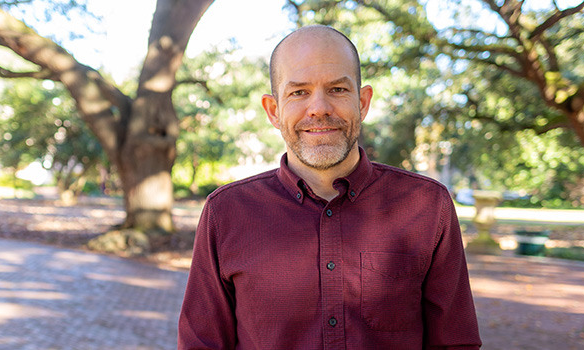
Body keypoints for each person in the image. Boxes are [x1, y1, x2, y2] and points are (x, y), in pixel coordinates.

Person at [178, 25, 481, 349]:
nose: (319, 107)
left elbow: (455, 343)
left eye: (337, 89)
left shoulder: (426, 206)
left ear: (363, 102)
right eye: (298, 92)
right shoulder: (226, 213)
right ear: (273, 110)